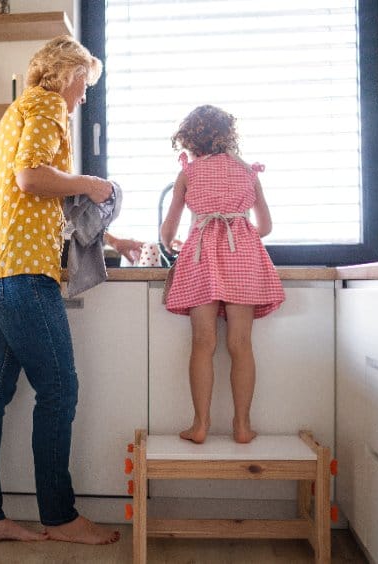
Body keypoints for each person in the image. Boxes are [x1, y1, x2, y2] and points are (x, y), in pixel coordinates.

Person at [0, 35, 121, 546]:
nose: (82, 97)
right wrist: (90, 183)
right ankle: (60, 516)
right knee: (59, 389)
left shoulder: (16, 111)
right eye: (84, 85)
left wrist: (115, 235)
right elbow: (32, 179)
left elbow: (33, 200)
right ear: (69, 75)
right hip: (22, 274)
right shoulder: (50, 104)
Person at [160, 105, 285, 445]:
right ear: (228, 136)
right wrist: (240, 234)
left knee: (203, 343)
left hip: (201, 259)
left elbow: (168, 231)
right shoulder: (247, 171)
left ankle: (200, 425)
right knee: (241, 345)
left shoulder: (189, 173)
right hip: (242, 257)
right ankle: (242, 426)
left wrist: (179, 240)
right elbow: (267, 226)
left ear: (190, 141)